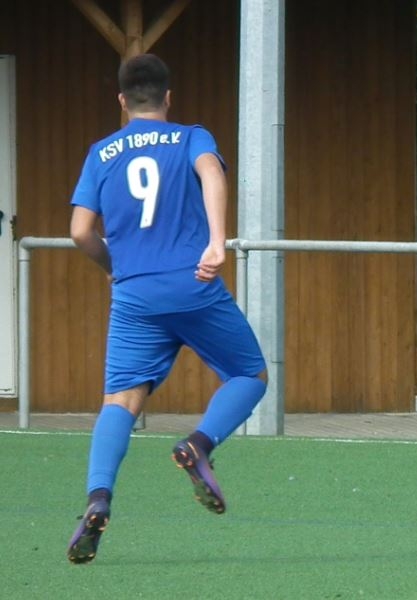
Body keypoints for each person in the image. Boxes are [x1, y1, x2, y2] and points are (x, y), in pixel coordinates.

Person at [66, 54, 268, 563]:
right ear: (168, 98)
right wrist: (217, 242)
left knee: (121, 401)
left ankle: (98, 498)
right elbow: (211, 172)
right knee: (249, 374)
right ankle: (199, 443)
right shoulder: (190, 137)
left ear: (122, 101)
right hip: (192, 282)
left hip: (135, 295)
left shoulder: (101, 153)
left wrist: (114, 267)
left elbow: (80, 232)